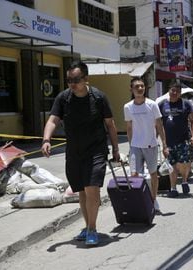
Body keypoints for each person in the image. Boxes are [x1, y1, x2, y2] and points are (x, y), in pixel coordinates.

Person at [41, 61, 120, 246]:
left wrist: (116, 149)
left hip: (96, 151)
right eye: (68, 80)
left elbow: (110, 125)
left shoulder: (99, 97)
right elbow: (53, 120)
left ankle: (92, 229)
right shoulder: (63, 98)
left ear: (85, 79)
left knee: (92, 188)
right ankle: (87, 226)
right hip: (74, 152)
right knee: (82, 192)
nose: (71, 83)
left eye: (75, 80)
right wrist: (46, 139)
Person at [124, 77, 168, 213]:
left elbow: (159, 125)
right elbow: (129, 127)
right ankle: (139, 201)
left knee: (153, 174)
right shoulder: (128, 106)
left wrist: (165, 144)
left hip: (151, 145)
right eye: (136, 86)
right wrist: (130, 146)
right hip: (136, 146)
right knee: (134, 175)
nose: (140, 88)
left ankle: (154, 200)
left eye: (142, 86)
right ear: (131, 89)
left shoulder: (152, 104)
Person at [158, 82, 193, 198]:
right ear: (169, 91)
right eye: (172, 90)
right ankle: (173, 188)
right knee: (172, 165)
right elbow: (158, 124)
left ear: (180, 93)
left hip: (183, 140)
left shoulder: (186, 104)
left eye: (177, 91)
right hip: (168, 142)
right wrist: (160, 141)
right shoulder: (161, 105)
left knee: (183, 163)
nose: (174, 93)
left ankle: (184, 180)